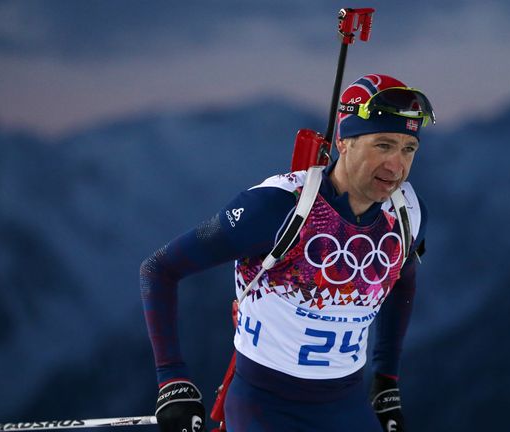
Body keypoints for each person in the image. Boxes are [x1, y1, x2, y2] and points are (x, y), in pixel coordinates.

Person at [140, 73, 435, 432]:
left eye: (409, 149)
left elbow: (401, 283)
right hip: (264, 406)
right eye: (383, 145)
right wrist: (172, 381)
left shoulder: (405, 213)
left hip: (346, 404)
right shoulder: (276, 206)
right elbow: (158, 269)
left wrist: (385, 382)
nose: (396, 166)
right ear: (344, 141)